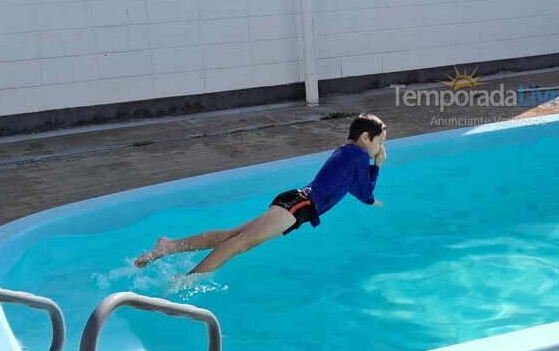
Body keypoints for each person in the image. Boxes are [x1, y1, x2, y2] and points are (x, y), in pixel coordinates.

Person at [135, 113, 387, 275]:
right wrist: (376, 166)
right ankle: (188, 280)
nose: (381, 148)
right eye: (380, 142)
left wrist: (370, 195)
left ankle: (169, 245)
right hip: (299, 205)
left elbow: (357, 191)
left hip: (295, 202)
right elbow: (365, 191)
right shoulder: (358, 154)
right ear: (365, 138)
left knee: (232, 235)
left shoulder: (347, 154)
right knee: (240, 243)